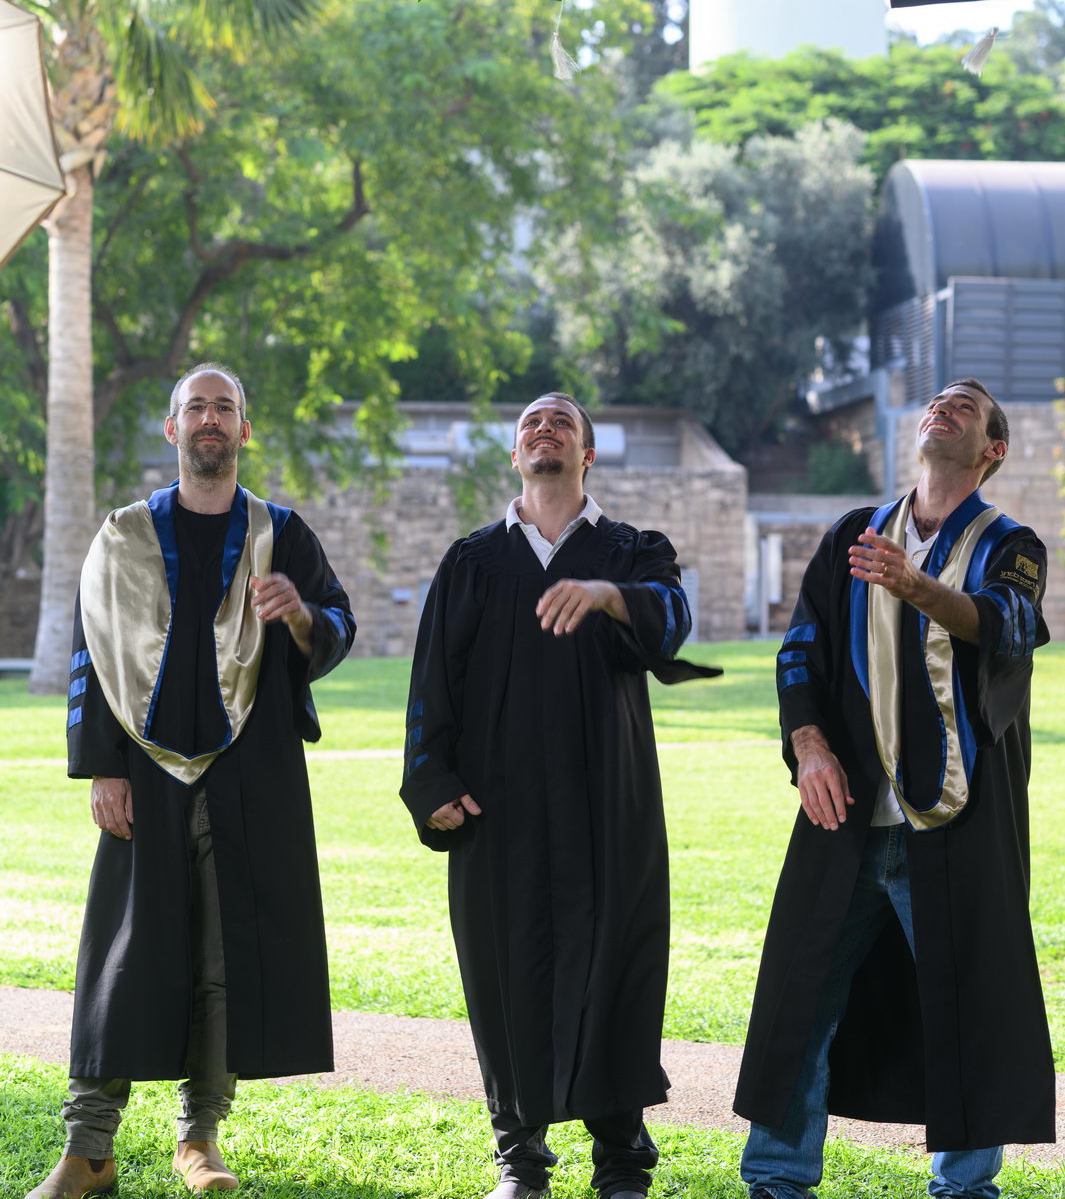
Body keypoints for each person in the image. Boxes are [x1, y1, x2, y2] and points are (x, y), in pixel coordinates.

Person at [28, 364, 356, 1199]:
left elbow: (337, 624)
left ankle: (199, 1138)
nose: (211, 419)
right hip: (145, 769)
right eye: (196, 407)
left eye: (225, 408)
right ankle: (87, 1148)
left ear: (244, 429)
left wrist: (301, 615)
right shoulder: (124, 535)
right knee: (124, 951)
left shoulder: (283, 534)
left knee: (224, 955)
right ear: (172, 428)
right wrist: (102, 764)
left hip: (253, 770)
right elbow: (88, 652)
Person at [733, 378, 1055, 1199]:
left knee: (967, 1004)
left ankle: (965, 1188)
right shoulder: (855, 533)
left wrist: (915, 587)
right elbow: (798, 649)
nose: (942, 407)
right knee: (800, 998)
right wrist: (807, 746)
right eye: (937, 400)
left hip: (956, 821)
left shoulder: (1010, 544)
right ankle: (776, 1180)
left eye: (965, 406)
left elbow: (1009, 624)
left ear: (991, 449)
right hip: (843, 818)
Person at [400, 392, 716, 1199]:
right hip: (495, 806)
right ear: (515, 455)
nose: (543, 429)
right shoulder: (472, 559)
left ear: (587, 455)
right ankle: (520, 1159)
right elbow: (433, 680)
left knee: (615, 965)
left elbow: (673, 621)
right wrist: (431, 781)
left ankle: (621, 1161)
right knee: (504, 971)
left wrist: (611, 596)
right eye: (530, 424)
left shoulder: (632, 550)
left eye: (561, 422)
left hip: (606, 799)